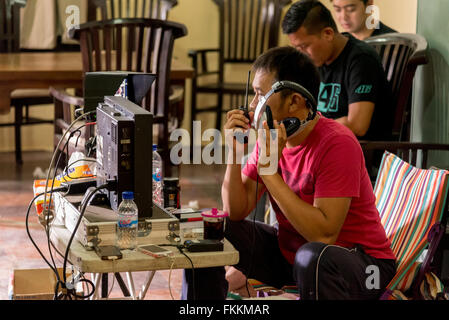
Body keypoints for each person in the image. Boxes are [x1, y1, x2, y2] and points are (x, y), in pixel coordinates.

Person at [181, 46, 396, 300]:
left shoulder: (338, 143)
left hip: (361, 265)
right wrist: (234, 153)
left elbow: (323, 235)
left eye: (260, 95)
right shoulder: (270, 137)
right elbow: (236, 211)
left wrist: (270, 174)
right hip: (294, 258)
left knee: (313, 257)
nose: (252, 106)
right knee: (212, 229)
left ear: (294, 101)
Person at [282, 0, 393, 141]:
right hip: (325, 140)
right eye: (297, 47)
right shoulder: (317, 58)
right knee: (267, 151)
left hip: (356, 149)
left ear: (328, 34)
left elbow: (357, 125)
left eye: (304, 46)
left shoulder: (362, 60)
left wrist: (306, 127)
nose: (302, 53)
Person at [330, 0, 397, 40]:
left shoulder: (394, 43)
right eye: (337, 10)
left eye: (351, 9)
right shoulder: (340, 43)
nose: (343, 17)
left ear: (369, 3)